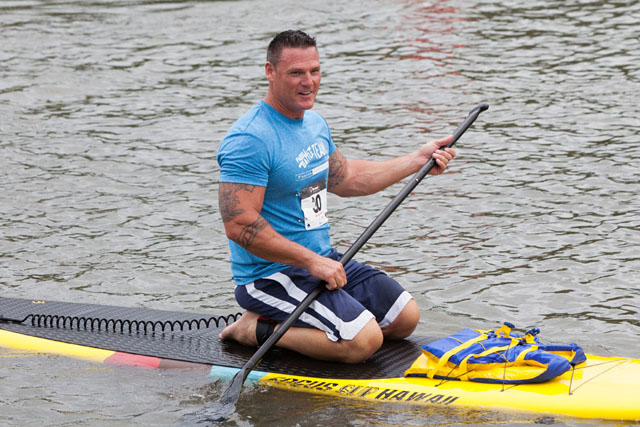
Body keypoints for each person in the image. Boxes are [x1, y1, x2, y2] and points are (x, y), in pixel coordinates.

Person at [217, 30, 455, 363]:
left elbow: (347, 179)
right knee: (364, 341)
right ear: (270, 72)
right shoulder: (250, 139)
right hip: (270, 276)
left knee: (405, 318)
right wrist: (311, 261)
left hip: (321, 259)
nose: (308, 81)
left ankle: (323, 330)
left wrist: (416, 161)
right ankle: (253, 330)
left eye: (314, 71)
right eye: (296, 73)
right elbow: (239, 224)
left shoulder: (314, 124)